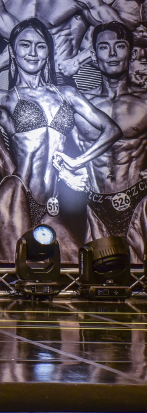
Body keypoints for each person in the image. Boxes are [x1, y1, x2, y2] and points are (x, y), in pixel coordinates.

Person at [0, 19, 120, 258]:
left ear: (48, 52)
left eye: (40, 46)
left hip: (49, 204)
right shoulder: (2, 97)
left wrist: (78, 161)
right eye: (25, 45)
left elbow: (112, 130)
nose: (33, 52)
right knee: (19, 270)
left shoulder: (67, 94)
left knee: (75, 264)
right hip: (15, 194)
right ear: (12, 51)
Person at [82, 22, 147, 259]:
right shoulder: (81, 104)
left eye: (119, 46)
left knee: (141, 275)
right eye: (104, 47)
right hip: (94, 205)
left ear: (131, 53)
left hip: (138, 201)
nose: (112, 54)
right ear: (93, 55)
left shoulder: (145, 101)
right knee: (93, 274)